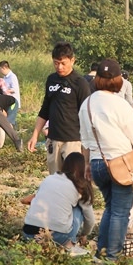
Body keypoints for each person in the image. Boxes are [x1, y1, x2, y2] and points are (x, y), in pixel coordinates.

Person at [78, 58, 133, 261]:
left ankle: (101, 252)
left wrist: (87, 165)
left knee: (110, 207)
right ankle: (111, 257)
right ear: (118, 80)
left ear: (97, 79)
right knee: (120, 211)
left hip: (98, 164)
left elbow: (86, 141)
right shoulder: (121, 104)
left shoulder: (86, 104)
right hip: (120, 165)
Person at [26, 42, 92, 174]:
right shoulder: (51, 80)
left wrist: (87, 146)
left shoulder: (80, 83)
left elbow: (87, 115)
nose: (59, 67)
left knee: (74, 181)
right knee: (55, 180)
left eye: (63, 63)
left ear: (72, 60)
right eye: (56, 63)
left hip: (73, 141)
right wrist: (35, 135)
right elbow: (44, 110)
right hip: (53, 140)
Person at [20, 151, 95, 254]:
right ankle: (69, 243)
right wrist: (84, 234)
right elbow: (90, 221)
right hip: (57, 236)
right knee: (79, 208)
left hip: (28, 233)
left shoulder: (49, 178)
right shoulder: (80, 186)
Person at [0, 60, 21, 127]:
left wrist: (5, 91)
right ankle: (15, 131)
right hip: (7, 101)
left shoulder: (12, 77)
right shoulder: (5, 77)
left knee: (10, 119)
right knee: (9, 117)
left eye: (0, 69)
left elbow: (14, 89)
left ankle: (11, 133)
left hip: (13, 101)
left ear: (4, 68)